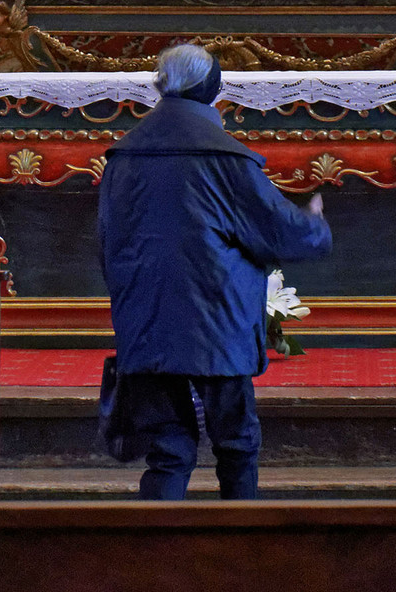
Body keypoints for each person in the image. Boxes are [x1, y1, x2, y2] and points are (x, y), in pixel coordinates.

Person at [98, 41, 331, 499]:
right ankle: (241, 555)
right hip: (216, 324)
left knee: (166, 451)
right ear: (212, 89)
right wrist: (315, 225)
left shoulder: (124, 157)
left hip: (146, 324)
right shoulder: (224, 157)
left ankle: (154, 562)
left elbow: (105, 245)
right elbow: (280, 230)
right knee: (237, 444)